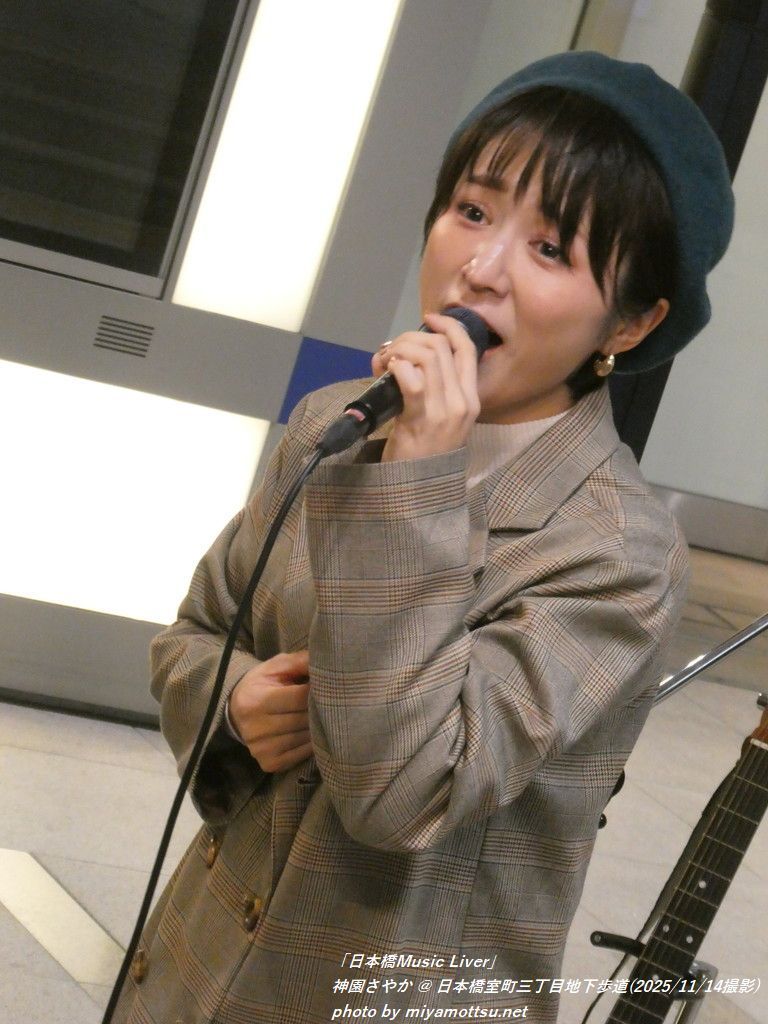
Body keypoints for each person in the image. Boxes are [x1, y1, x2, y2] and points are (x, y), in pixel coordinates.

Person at [114, 51, 733, 1024]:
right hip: (201, 965)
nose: (479, 269)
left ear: (630, 322)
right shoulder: (335, 421)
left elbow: (402, 792)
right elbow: (195, 632)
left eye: (551, 249)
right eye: (473, 210)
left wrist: (419, 479)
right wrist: (232, 700)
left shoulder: (621, 552)